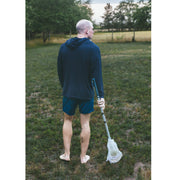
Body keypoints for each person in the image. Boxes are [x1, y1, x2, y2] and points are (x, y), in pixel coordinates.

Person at [57, 19, 105, 164]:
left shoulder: (64, 47)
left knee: (67, 120)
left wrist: (64, 86)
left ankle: (67, 154)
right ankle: (83, 157)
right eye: (92, 29)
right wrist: (101, 95)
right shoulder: (93, 48)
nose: (93, 31)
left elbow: (60, 71)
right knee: (85, 124)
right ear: (86, 31)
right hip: (85, 93)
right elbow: (97, 74)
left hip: (69, 91)